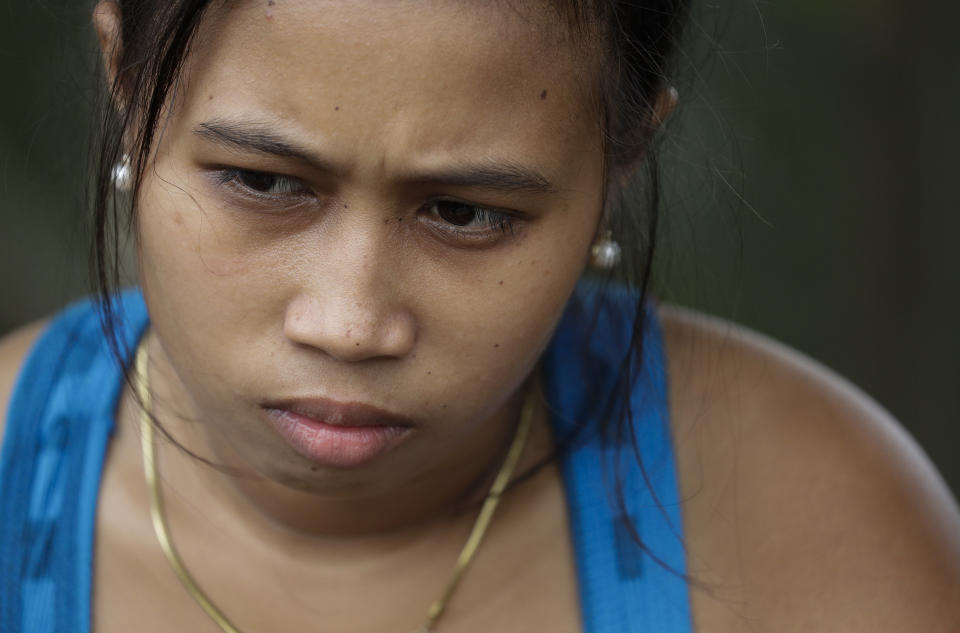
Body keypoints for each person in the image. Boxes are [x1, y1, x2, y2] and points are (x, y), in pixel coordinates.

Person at [1, 1, 958, 631]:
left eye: (466, 212)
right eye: (262, 180)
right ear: (128, 92)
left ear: (619, 163)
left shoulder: (811, 530)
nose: (349, 321)